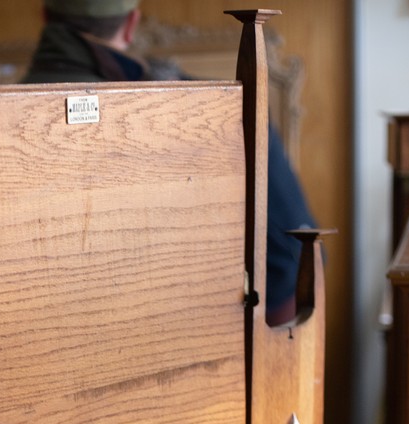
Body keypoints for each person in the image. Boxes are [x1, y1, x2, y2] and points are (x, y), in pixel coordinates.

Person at [23, 1, 316, 326]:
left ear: (45, 18)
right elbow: (292, 262)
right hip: (185, 328)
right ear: (132, 23)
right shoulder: (207, 111)